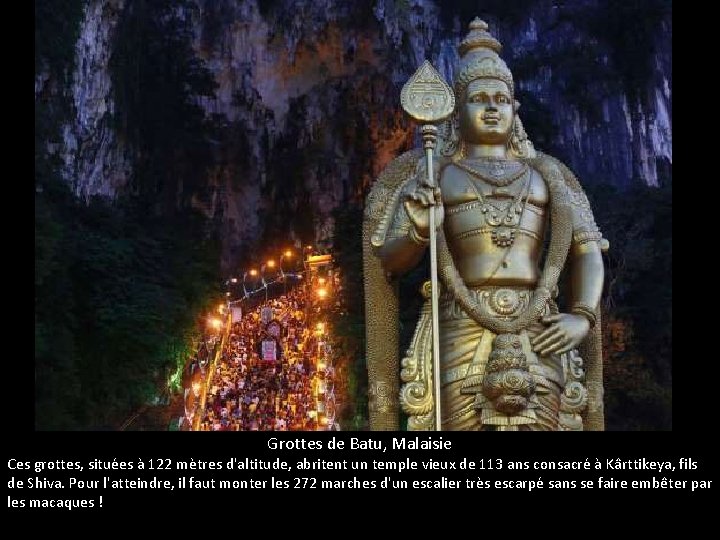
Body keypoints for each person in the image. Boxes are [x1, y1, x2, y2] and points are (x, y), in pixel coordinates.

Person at [364, 18, 605, 431]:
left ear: (515, 109)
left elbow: (587, 250)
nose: (492, 108)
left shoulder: (549, 176)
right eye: (480, 99)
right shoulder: (433, 174)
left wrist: (582, 314)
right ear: (459, 111)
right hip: (460, 324)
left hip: (539, 325)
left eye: (501, 98)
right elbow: (387, 260)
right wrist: (420, 231)